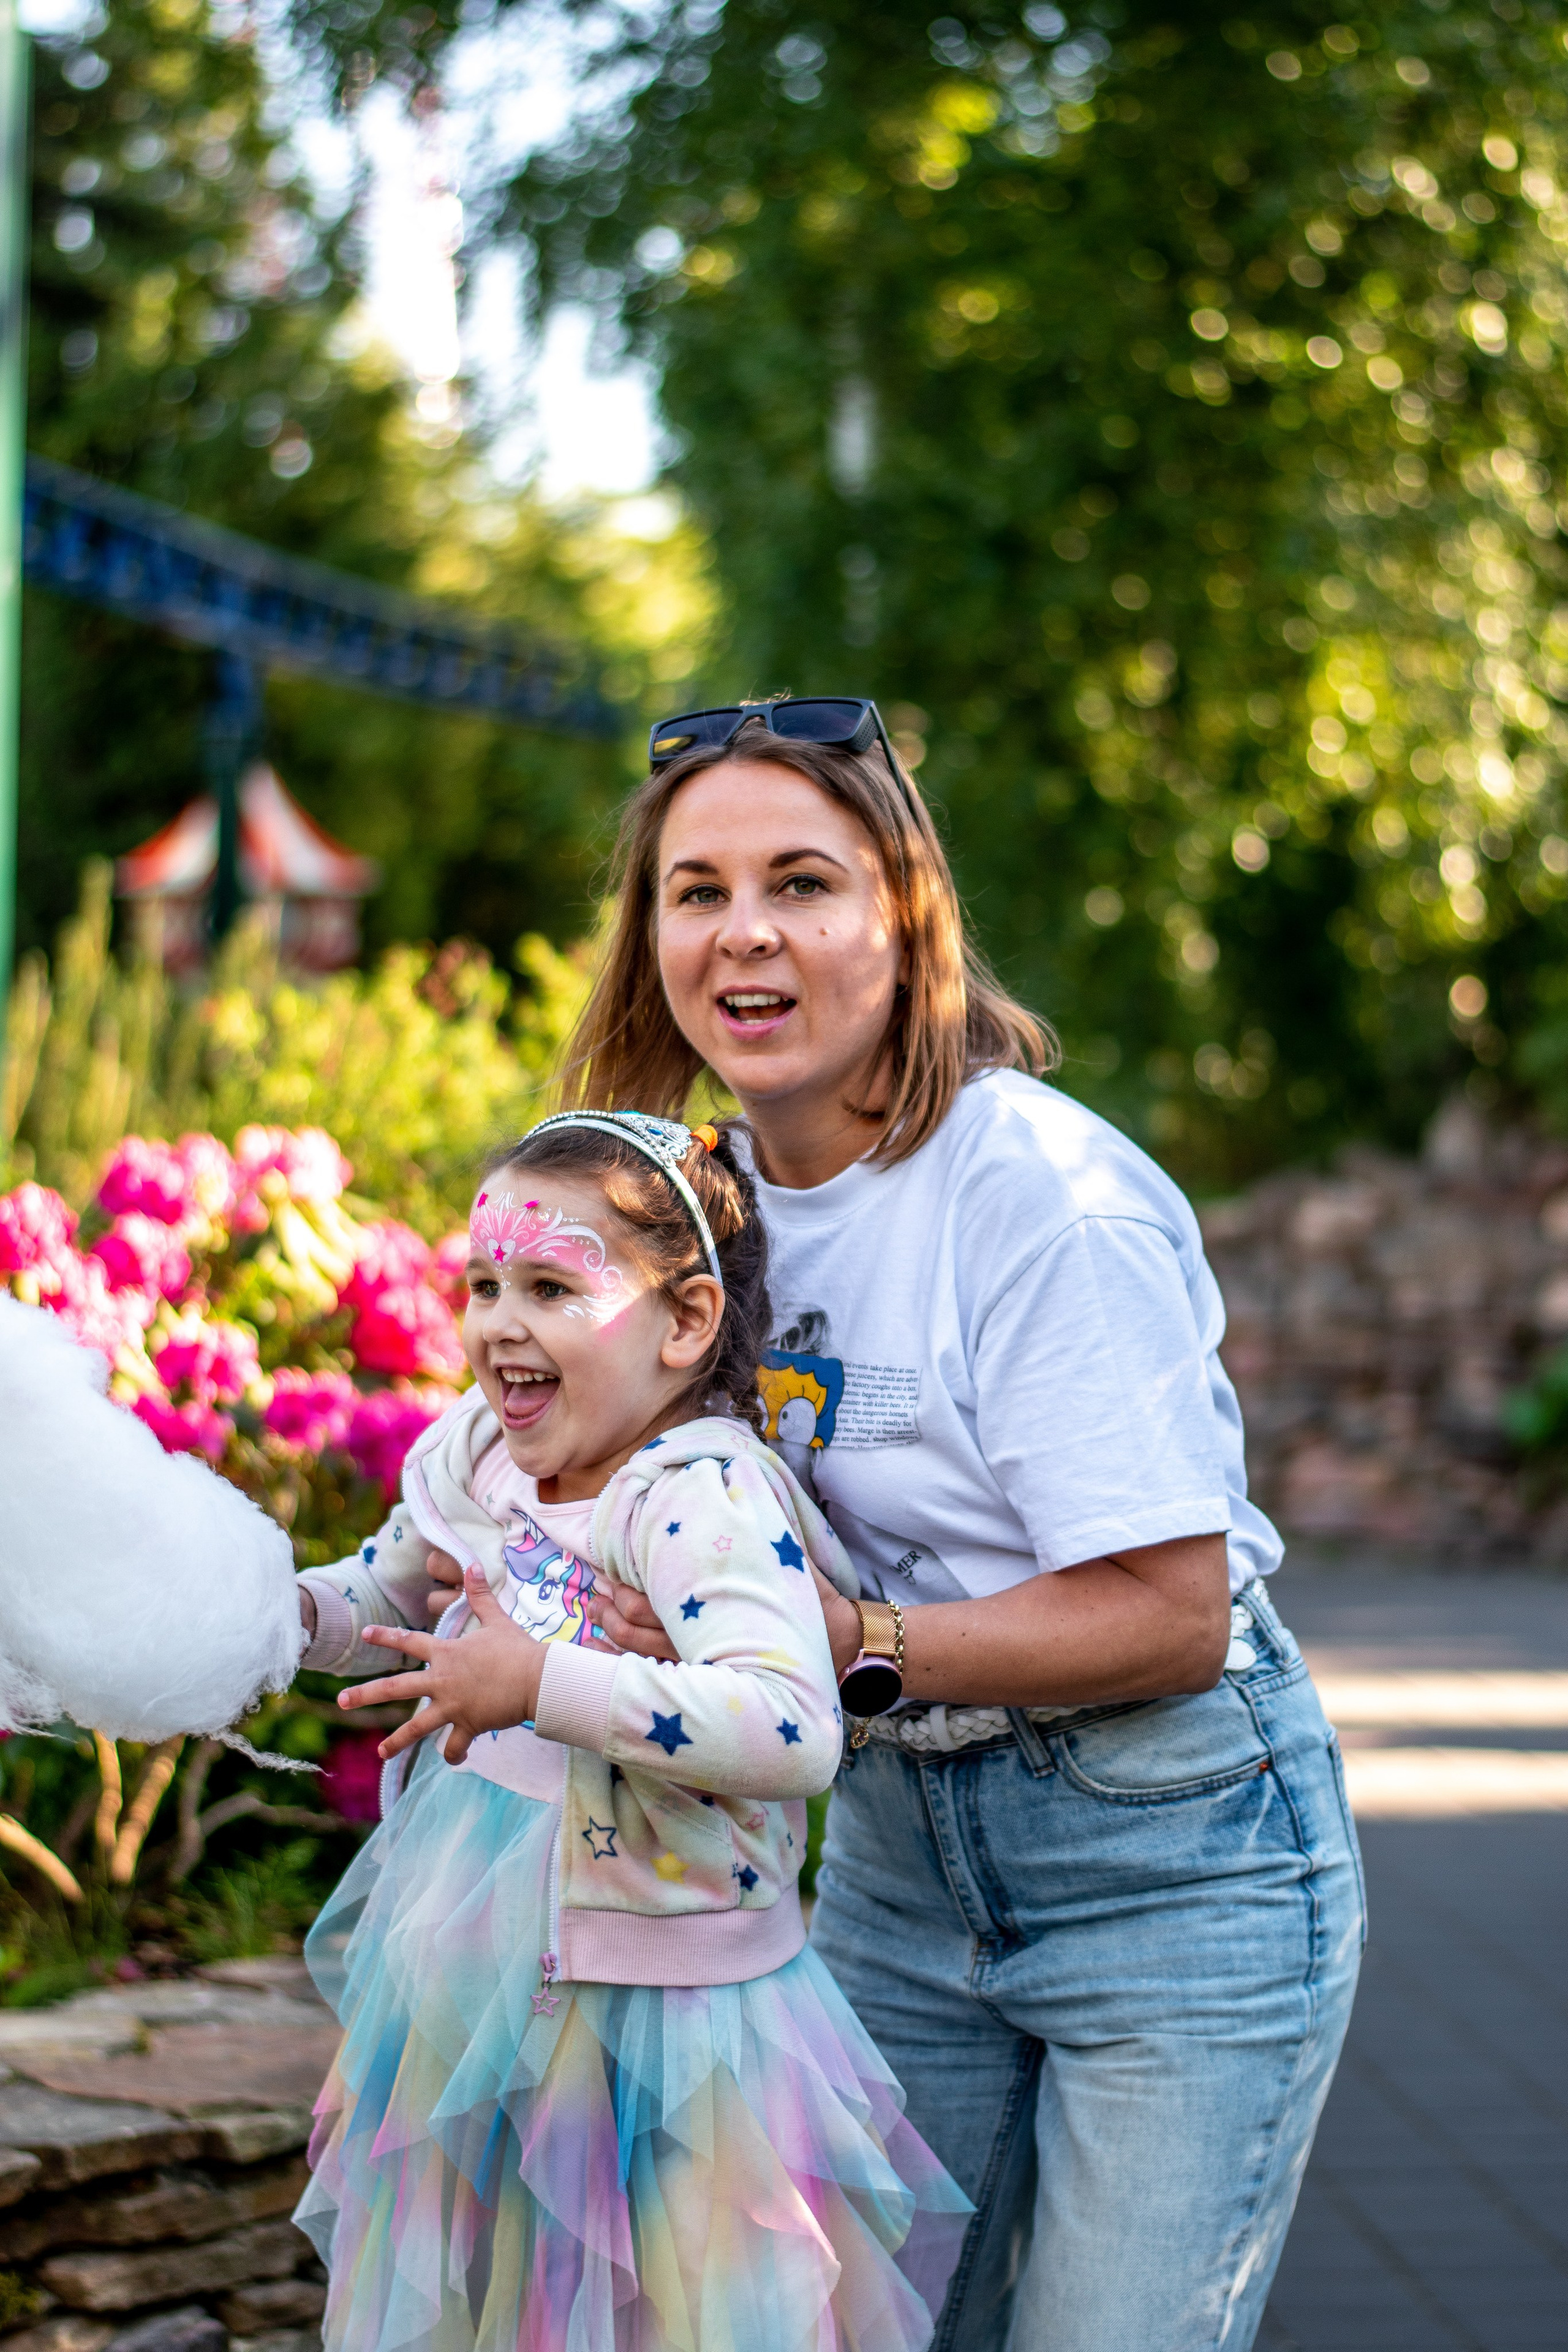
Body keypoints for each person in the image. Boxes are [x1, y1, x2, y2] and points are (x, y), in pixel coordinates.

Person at [494, 699, 1366, 2352]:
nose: (744, 930)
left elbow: (1176, 1613)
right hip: (899, 1860)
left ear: (905, 915)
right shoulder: (692, 1211)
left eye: (802, 881)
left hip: (1172, 1867)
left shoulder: (1039, 1196)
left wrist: (847, 1649)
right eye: (697, 890)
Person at [290, 1109, 970, 2352]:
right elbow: (379, 1590)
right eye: (483, 1284)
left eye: (551, 1286)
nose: (501, 1322)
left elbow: (786, 1725)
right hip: (472, 1991)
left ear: (685, 1321)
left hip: (682, 2034)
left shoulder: (695, 1496)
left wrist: (538, 1683)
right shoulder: (475, 1460)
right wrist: (271, 1616)